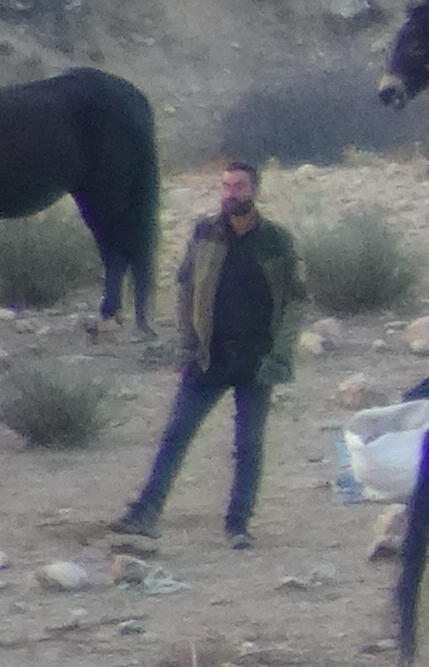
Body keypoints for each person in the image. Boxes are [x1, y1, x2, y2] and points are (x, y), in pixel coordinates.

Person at [115, 159, 307, 549]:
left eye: (238, 186)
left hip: (256, 360)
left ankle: (238, 525)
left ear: (255, 191)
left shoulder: (277, 241)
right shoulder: (205, 233)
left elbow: (296, 303)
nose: (230, 194)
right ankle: (145, 513)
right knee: (176, 435)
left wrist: (280, 356)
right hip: (208, 357)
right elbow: (185, 288)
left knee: (248, 446)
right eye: (225, 186)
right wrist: (186, 344)